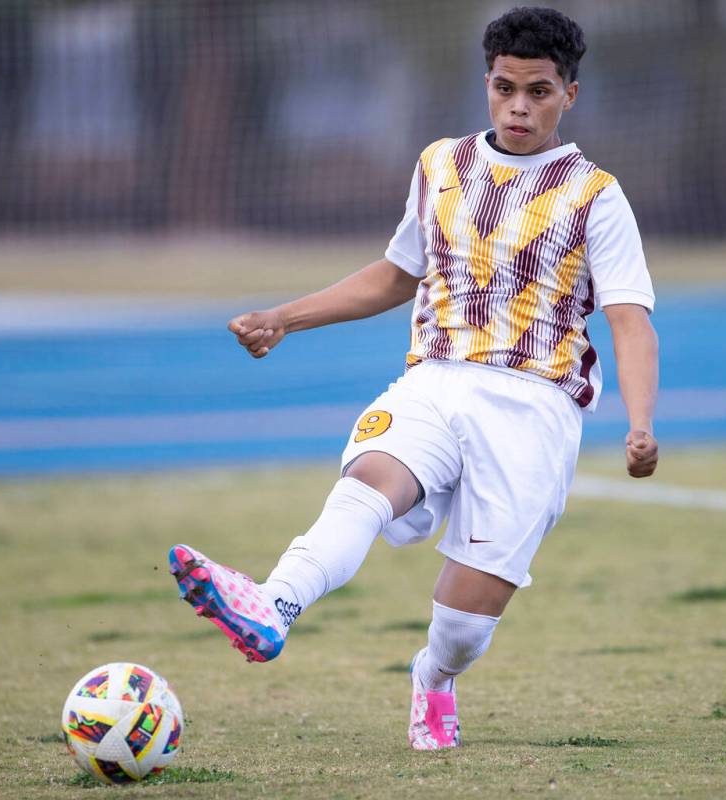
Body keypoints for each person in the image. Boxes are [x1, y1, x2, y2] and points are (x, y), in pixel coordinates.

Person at [169, 6, 658, 751]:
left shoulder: (597, 195)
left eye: (538, 91)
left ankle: (434, 677)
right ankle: (271, 605)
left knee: (464, 627)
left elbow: (629, 318)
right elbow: (398, 274)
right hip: (434, 381)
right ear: (486, 83)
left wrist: (640, 422)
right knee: (367, 483)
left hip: (533, 409)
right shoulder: (440, 165)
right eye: (504, 88)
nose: (518, 106)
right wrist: (284, 317)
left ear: (570, 95)